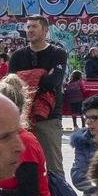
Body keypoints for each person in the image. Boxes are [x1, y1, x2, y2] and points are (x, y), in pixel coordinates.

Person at [11, 17, 69, 172]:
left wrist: (26, 78)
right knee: (20, 167)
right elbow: (11, 85)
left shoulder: (58, 54)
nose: (29, 30)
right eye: (28, 27)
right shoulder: (17, 56)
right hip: (21, 118)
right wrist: (40, 75)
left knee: (53, 168)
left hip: (49, 118)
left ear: (45, 30)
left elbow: (52, 82)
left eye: (34, 27)